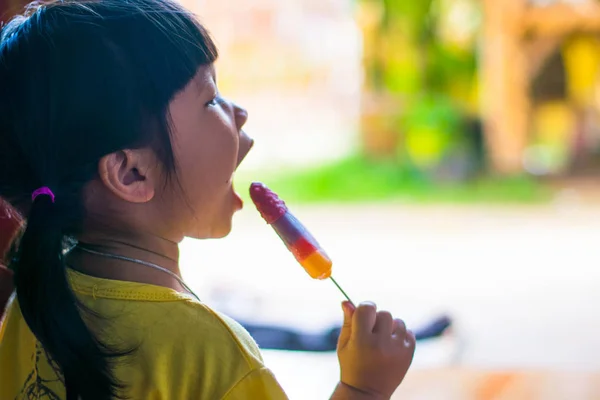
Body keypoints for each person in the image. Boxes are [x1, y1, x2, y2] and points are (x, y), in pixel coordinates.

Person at [0, 1, 416, 399]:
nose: (240, 113)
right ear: (132, 173)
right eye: (211, 98)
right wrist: (363, 389)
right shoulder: (212, 354)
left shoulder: (33, 306)